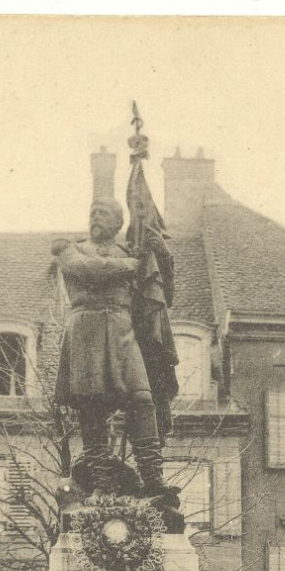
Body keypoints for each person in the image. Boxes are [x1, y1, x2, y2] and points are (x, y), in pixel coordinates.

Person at [53, 197, 177, 499]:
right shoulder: (70, 248)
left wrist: (162, 254)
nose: (96, 217)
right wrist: (131, 264)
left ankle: (152, 478)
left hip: (122, 332)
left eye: (103, 213)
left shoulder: (133, 252)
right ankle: (102, 483)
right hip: (87, 332)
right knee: (92, 410)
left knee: (143, 400)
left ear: (119, 222)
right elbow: (88, 270)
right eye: (92, 212)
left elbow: (161, 293)